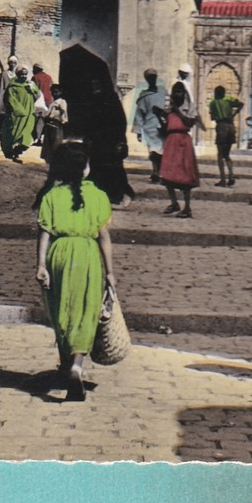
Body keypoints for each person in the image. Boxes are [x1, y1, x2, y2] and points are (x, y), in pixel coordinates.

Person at [35, 142, 116, 402]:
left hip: (59, 254)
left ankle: (63, 364)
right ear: (86, 169)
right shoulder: (98, 196)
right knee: (85, 310)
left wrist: (41, 265)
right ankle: (76, 367)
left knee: (61, 308)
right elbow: (104, 237)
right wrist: (110, 273)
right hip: (87, 255)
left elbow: (44, 233)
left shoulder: (51, 196)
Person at [158, 84, 200, 218]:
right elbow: (166, 127)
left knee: (185, 174)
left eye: (180, 92)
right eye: (175, 92)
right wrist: (160, 116)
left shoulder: (190, 108)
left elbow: (189, 123)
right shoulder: (169, 108)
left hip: (183, 141)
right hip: (171, 141)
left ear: (184, 93)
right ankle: (174, 202)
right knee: (168, 173)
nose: (177, 94)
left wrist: (177, 111)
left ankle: (187, 207)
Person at [0, 64, 40, 162]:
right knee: (14, 134)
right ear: (17, 74)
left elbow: (38, 96)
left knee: (26, 136)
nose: (24, 76)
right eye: (21, 74)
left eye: (25, 74)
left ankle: (17, 152)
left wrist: (34, 89)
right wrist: (19, 110)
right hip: (17, 115)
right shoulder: (12, 86)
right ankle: (12, 153)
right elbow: (10, 99)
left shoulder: (29, 85)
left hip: (28, 115)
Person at [133, 69, 166, 182]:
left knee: (161, 151)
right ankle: (155, 171)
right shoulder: (144, 95)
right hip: (149, 127)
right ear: (147, 80)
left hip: (162, 126)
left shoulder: (163, 92)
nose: (152, 80)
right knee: (153, 152)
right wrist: (138, 131)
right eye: (150, 78)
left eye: (153, 77)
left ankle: (159, 171)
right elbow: (139, 114)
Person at [208, 84, 243, 187]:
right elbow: (241, 104)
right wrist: (234, 114)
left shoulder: (213, 103)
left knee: (220, 154)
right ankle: (231, 174)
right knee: (227, 154)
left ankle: (223, 179)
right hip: (231, 126)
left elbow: (212, 117)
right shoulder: (228, 102)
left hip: (222, 127)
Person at [40, 84, 68, 163]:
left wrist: (62, 120)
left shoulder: (61, 102)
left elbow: (63, 112)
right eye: (53, 92)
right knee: (48, 143)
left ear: (60, 92)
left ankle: (56, 160)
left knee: (56, 142)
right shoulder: (53, 102)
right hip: (49, 124)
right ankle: (49, 159)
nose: (55, 94)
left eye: (56, 92)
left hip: (56, 123)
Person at [0, 55, 19, 140]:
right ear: (8, 63)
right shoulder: (4, 74)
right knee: (2, 115)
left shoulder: (17, 75)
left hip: (14, 97)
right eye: (11, 62)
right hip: (5, 97)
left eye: (14, 62)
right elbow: (0, 87)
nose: (12, 64)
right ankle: (0, 133)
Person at [32, 63, 54, 145]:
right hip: (49, 101)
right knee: (47, 120)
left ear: (36, 69)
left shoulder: (35, 77)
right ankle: (44, 139)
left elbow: (34, 91)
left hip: (40, 101)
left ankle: (38, 139)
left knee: (39, 120)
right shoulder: (49, 77)